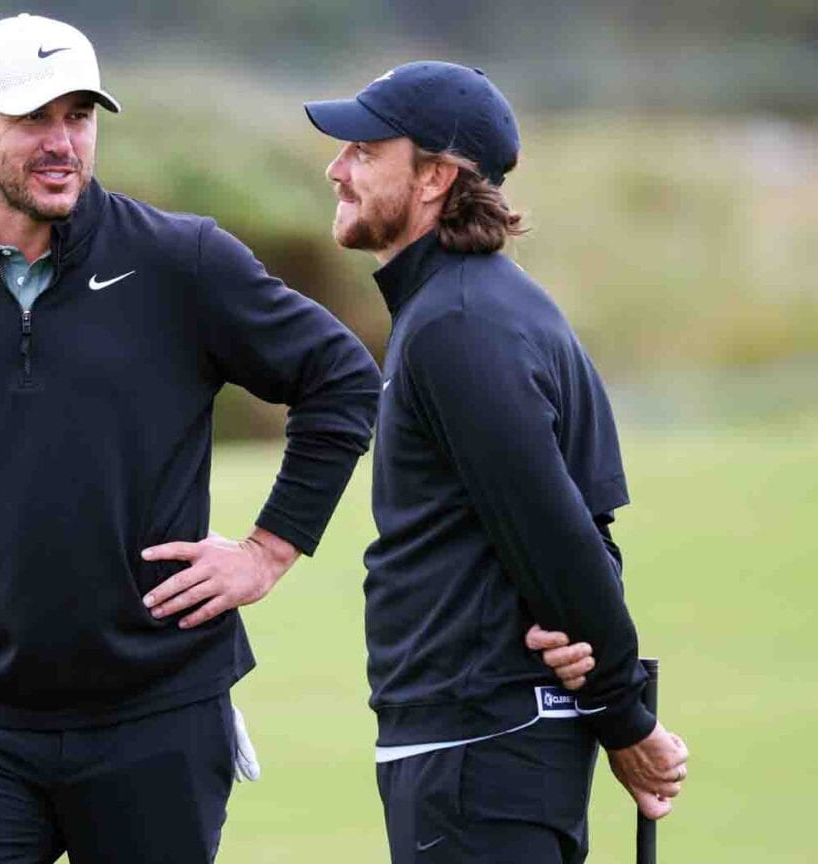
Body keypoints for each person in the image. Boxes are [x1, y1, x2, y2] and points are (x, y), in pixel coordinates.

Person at [0, 13, 380, 864]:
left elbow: (342, 378)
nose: (63, 143)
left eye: (79, 116)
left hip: (159, 714)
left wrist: (267, 552)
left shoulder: (180, 262)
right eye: (34, 118)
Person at [304, 62, 690, 862]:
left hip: (477, 749)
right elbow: (583, 539)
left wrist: (624, 717)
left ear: (435, 177)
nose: (337, 168)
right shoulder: (486, 307)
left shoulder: (458, 325)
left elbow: (559, 539)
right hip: (486, 747)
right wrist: (609, 695)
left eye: (365, 151)